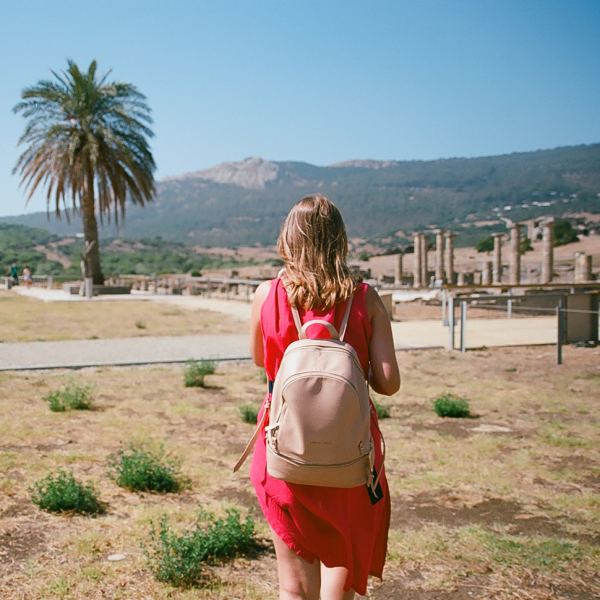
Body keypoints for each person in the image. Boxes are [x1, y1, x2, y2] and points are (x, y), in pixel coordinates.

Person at [248, 194, 400, 600]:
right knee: (341, 570)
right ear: (340, 240)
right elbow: (388, 383)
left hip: (284, 449)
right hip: (349, 453)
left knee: (294, 586)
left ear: (288, 239)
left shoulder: (267, 295)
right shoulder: (365, 297)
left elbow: (263, 362)